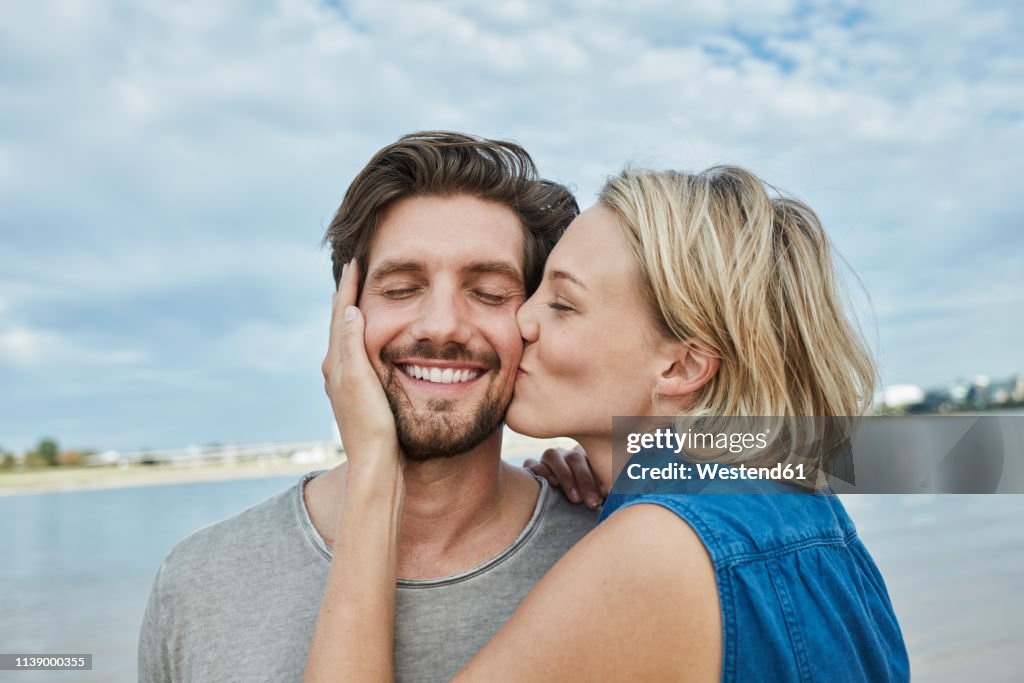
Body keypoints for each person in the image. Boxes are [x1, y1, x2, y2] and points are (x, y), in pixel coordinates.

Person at [306, 165, 910, 681]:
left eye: (562, 304)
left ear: (681, 365)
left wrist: (375, 470)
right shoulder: (796, 504)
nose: (522, 322)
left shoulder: (656, 550)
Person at [138, 132, 596, 682]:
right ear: (344, 313)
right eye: (401, 288)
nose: (441, 326)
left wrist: (634, 464)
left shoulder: (610, 546)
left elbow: (727, 455)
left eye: (490, 293)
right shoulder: (198, 582)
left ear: (534, 322)